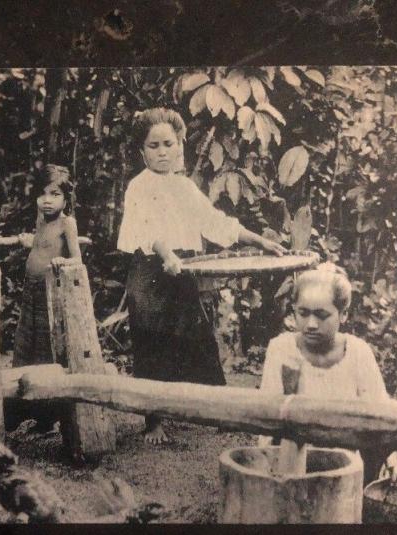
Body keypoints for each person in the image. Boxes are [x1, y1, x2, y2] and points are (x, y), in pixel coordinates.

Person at [117, 107, 285, 444]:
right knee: (153, 341)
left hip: (182, 272)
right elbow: (148, 229)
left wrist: (260, 240)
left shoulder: (185, 187)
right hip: (150, 273)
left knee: (198, 337)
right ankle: (154, 421)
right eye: (153, 146)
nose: (162, 152)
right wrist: (167, 256)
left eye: (168, 144)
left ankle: (218, 409)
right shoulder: (139, 187)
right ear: (142, 152)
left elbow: (215, 222)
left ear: (180, 146)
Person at [259, 264, 397, 485]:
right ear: (294, 309)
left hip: (343, 467)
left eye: (322, 315)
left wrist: (393, 463)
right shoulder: (281, 349)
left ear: (344, 314)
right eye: (303, 313)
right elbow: (267, 418)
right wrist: (262, 469)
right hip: (289, 463)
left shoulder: (358, 352)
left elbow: (379, 414)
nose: (311, 324)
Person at [7, 165, 81, 432]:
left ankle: (48, 416)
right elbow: (41, 244)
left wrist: (64, 261)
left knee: (46, 349)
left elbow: (77, 259)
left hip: (52, 296)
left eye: (54, 194)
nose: (47, 200)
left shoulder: (67, 223)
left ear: (65, 198)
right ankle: (22, 410)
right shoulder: (42, 221)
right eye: (42, 194)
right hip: (32, 292)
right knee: (26, 345)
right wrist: (30, 242)